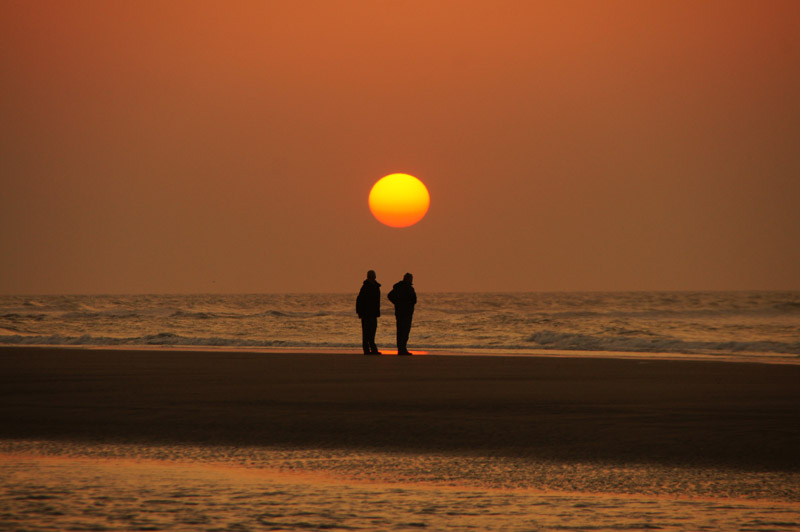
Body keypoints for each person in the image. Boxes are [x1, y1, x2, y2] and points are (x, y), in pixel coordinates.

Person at [387, 272, 417, 355]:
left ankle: (401, 349)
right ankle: (402, 349)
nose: (411, 280)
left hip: (400, 311)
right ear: (408, 279)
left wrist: (396, 303)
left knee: (400, 331)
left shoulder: (399, 287)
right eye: (411, 278)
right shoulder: (407, 288)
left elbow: (390, 295)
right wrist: (397, 302)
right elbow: (414, 300)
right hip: (405, 312)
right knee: (404, 331)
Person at [356, 270, 381, 355]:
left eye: (373, 275)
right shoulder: (365, 287)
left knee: (372, 332)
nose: (373, 277)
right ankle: (367, 350)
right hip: (366, 313)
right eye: (371, 276)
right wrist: (360, 312)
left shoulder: (376, 286)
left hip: (373, 313)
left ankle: (373, 349)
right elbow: (359, 300)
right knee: (366, 332)